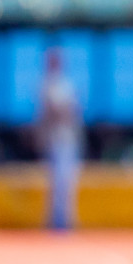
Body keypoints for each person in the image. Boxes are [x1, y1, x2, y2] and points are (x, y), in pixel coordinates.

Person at [38, 48, 83, 230]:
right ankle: (56, 221)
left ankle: (67, 220)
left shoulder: (66, 84)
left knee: (68, 181)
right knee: (56, 181)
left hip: (68, 138)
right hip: (54, 139)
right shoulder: (47, 84)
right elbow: (52, 111)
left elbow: (73, 112)